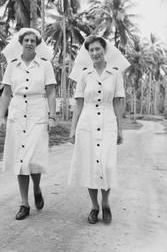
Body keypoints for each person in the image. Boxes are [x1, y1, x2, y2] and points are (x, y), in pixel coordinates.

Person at [0, 28, 56, 220]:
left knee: (33, 159)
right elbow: (6, 93)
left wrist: (52, 116)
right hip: (17, 112)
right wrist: (1, 117)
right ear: (21, 43)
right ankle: (24, 203)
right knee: (20, 159)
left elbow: (50, 92)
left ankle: (37, 188)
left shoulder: (45, 66)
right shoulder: (12, 66)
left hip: (38, 111)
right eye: (26, 40)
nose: (29, 43)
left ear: (37, 44)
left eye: (33, 40)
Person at [68, 35, 126, 225]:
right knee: (90, 166)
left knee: (107, 165)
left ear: (104, 49)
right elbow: (78, 103)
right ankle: (94, 206)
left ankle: (106, 202)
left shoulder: (115, 74)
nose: (95, 53)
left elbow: (118, 101)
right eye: (91, 50)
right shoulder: (84, 74)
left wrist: (120, 128)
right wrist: (72, 129)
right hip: (87, 121)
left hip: (108, 120)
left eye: (97, 49)